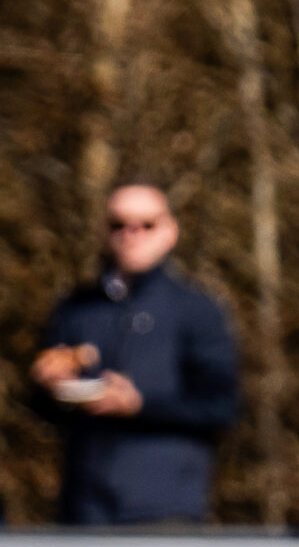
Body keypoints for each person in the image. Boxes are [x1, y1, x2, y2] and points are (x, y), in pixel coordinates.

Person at [30, 184, 238, 524]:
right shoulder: (76, 308)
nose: (132, 235)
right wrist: (48, 386)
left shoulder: (197, 309)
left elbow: (220, 406)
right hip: (85, 507)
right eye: (118, 225)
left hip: (165, 508)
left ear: (170, 231)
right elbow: (42, 411)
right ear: (104, 230)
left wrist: (140, 405)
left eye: (146, 225)